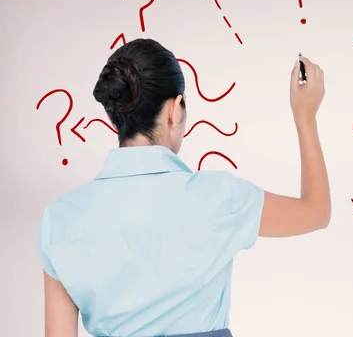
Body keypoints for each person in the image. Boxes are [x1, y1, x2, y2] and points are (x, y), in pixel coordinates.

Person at [37, 39, 331, 337]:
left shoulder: (60, 219)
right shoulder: (221, 198)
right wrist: (305, 116)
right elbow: (316, 211)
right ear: (174, 110)